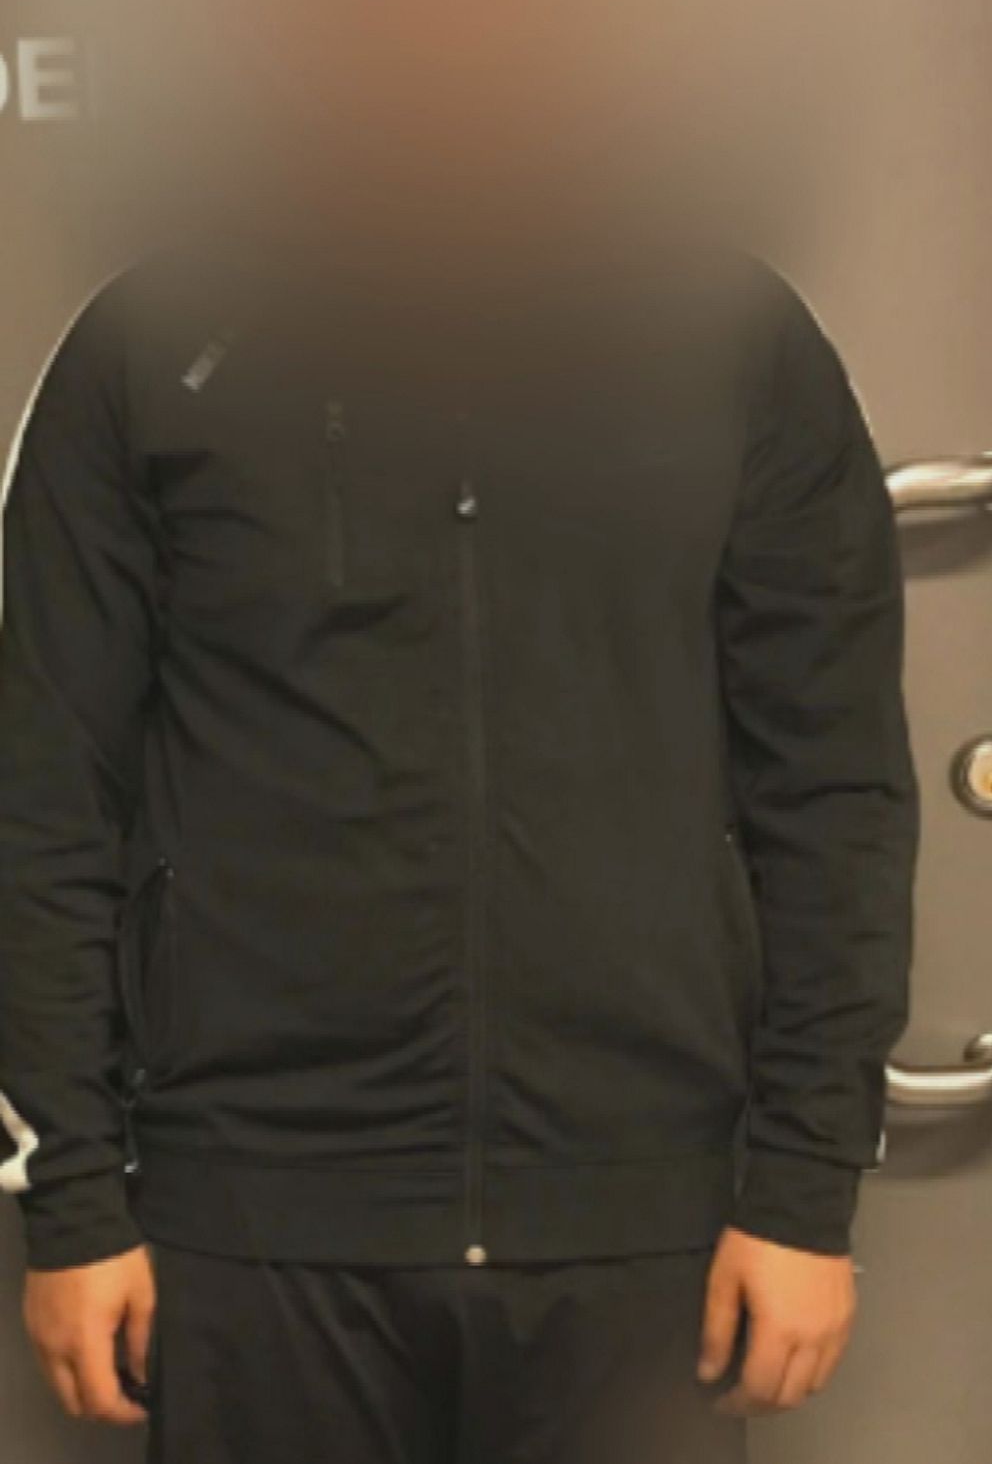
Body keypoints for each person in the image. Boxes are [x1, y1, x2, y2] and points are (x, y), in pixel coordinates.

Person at [0, 231, 916, 1462]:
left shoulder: (736, 340)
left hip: (635, 1225)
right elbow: (47, 792)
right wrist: (71, 1192)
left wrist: (803, 1185)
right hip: (256, 1220)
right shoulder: (150, 345)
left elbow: (831, 788)